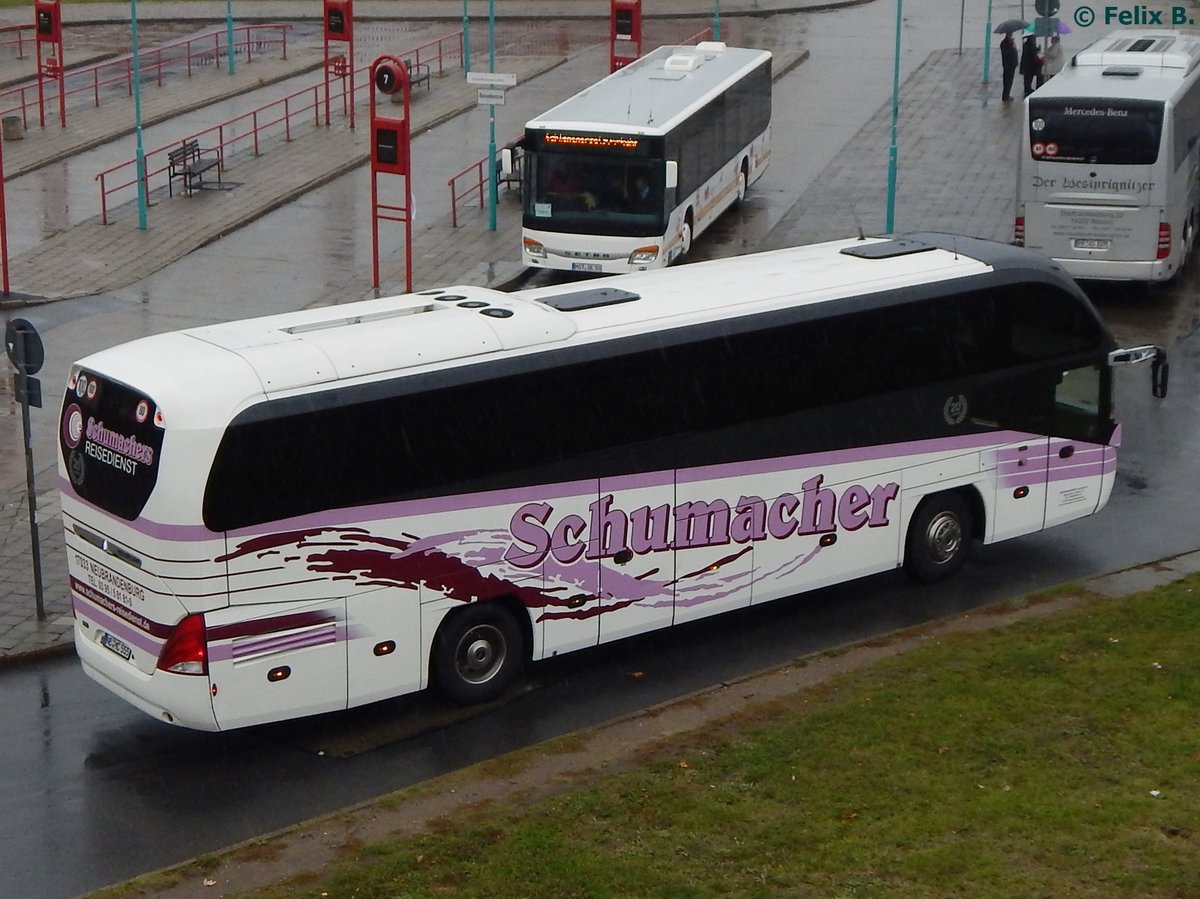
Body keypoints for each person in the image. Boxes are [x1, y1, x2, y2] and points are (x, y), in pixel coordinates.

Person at [1000, 33, 1019, 102]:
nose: (1011, 37)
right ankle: (1005, 97)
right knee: (1007, 81)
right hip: (1008, 65)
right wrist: (1012, 47)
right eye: (1010, 36)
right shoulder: (1004, 44)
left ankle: (1007, 95)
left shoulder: (1009, 43)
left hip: (1012, 65)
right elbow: (1006, 53)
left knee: (1010, 81)